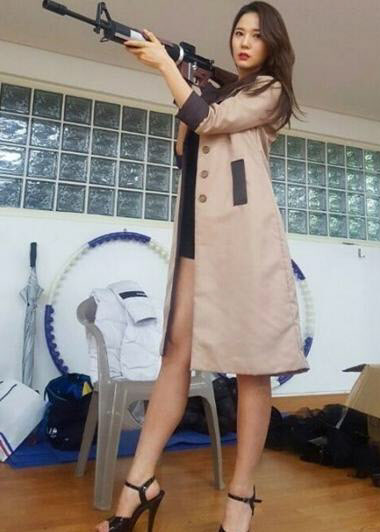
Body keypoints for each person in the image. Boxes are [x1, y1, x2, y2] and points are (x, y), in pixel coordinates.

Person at [95, 2, 309, 531]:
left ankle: (241, 499)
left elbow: (210, 120)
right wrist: (183, 77)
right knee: (175, 355)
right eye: (238, 33)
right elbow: (186, 148)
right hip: (198, 238)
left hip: (243, 244)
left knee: (251, 368)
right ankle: (140, 484)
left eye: (255, 35)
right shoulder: (215, 92)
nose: (244, 42)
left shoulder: (269, 92)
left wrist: (166, 67)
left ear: (271, 45)